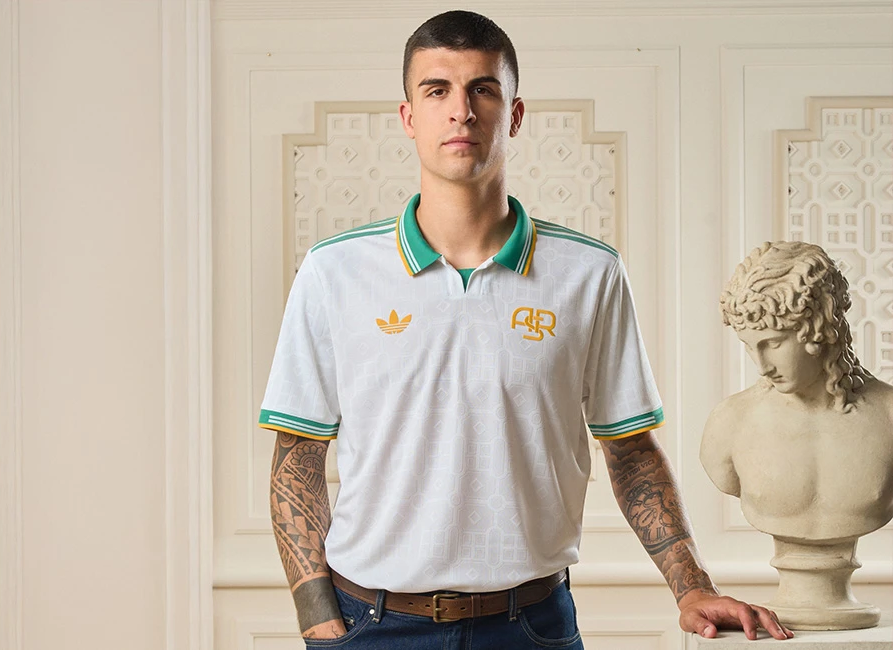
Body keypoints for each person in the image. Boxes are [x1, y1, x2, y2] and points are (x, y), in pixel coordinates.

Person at [260, 10, 793, 648]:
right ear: (409, 117)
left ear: (513, 115)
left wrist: (692, 587)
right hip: (369, 625)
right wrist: (318, 623)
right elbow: (297, 454)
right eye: (437, 91)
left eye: (482, 89)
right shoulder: (333, 272)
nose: (461, 111)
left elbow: (631, 451)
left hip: (532, 626)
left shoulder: (589, 273)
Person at [701, 241, 893, 630]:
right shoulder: (730, 423)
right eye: (749, 347)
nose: (761, 366)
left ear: (819, 328)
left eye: (773, 343)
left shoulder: (888, 416)